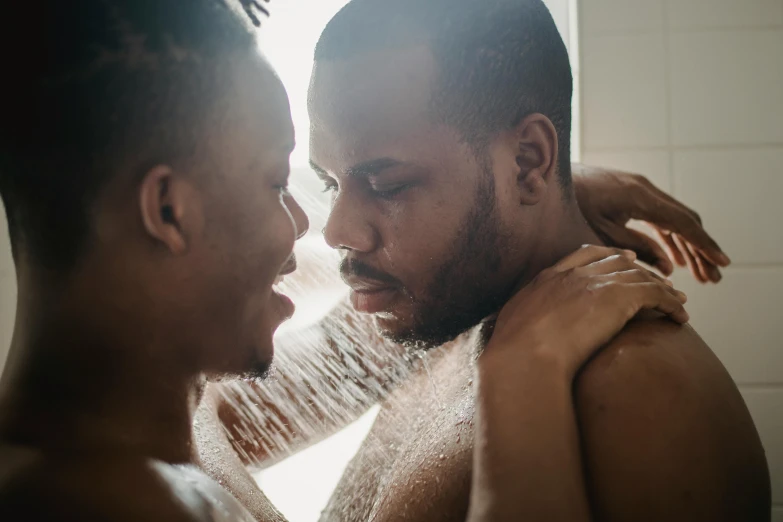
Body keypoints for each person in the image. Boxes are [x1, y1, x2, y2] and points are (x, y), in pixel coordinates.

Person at [0, 1, 706, 521]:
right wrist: (520, 367)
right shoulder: (108, 497)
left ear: (529, 157)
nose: (326, 228)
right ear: (167, 212)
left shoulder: (629, 393)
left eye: (387, 181)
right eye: (289, 182)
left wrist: (508, 206)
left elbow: (211, 415)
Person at [217, 0, 770, 521]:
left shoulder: (641, 399)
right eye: (330, 183)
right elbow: (214, 420)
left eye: (387, 183)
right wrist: (521, 191)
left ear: (529, 159)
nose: (338, 231)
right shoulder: (449, 309)